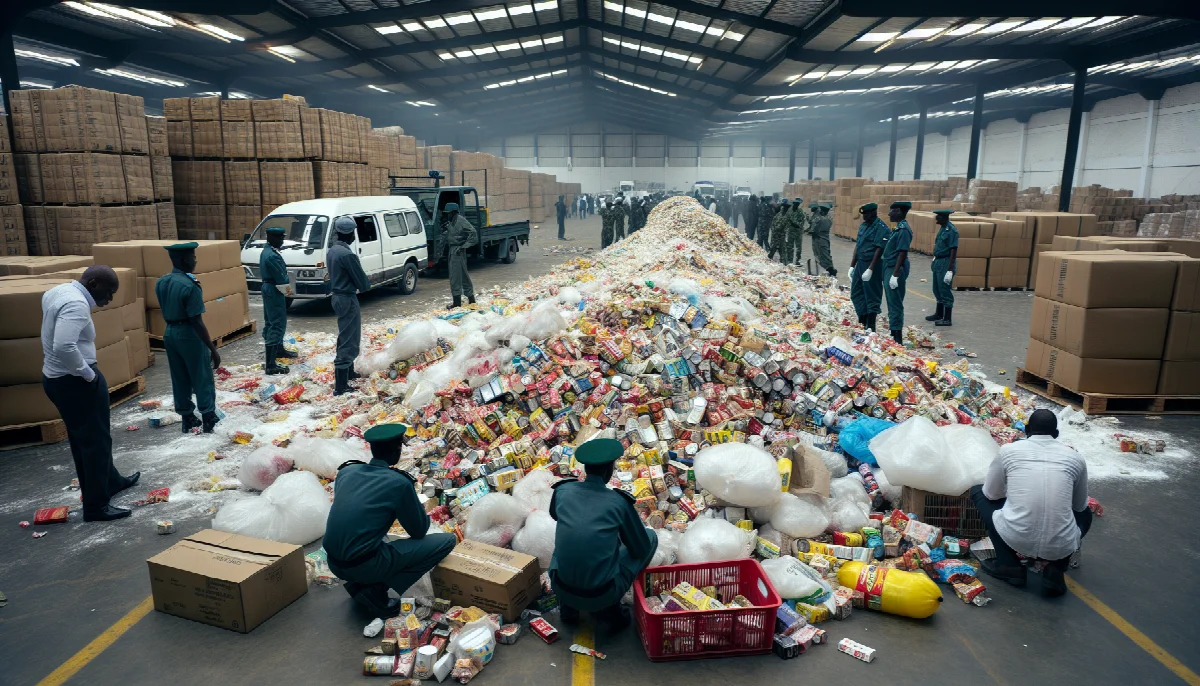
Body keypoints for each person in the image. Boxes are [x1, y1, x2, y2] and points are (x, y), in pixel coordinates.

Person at [325, 423, 457, 616]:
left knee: (374, 535)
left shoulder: (347, 472)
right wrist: (416, 505)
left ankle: (361, 584)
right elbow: (418, 531)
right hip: (364, 565)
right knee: (446, 541)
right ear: (398, 449)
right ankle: (377, 590)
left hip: (334, 562)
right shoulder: (399, 482)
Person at [41, 266, 139, 522]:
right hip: (74, 382)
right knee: (94, 443)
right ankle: (96, 506)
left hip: (58, 379)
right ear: (94, 283)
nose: (110, 299)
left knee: (90, 438)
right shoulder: (76, 304)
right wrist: (87, 374)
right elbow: (63, 345)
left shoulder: (59, 291)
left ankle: (112, 481)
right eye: (109, 292)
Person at [970, 409, 1092, 596]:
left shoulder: (1008, 451)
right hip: (1060, 544)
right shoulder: (1075, 458)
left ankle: (1008, 564)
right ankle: (1056, 566)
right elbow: (1079, 506)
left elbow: (991, 494)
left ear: (1026, 430)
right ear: (1056, 434)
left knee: (978, 492)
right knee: (1086, 514)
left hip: (1016, 536)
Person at [549, 438, 656, 629]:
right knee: (650, 538)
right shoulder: (618, 502)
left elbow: (555, 515)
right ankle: (611, 609)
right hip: (600, 595)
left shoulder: (563, 490)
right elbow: (640, 549)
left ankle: (568, 607)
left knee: (567, 544)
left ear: (585, 468)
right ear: (609, 470)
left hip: (560, 586)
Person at [156, 243, 221, 433]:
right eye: (193, 257)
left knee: (179, 376)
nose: (195, 261)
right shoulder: (190, 285)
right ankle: (208, 415)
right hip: (188, 334)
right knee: (201, 375)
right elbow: (196, 321)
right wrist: (212, 348)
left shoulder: (161, 282)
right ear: (185, 259)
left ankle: (187, 417)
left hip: (169, 332)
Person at [328, 217, 370, 396]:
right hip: (347, 297)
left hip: (338, 296)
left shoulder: (333, 250)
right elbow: (363, 282)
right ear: (350, 233)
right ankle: (341, 385)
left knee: (345, 334)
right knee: (350, 339)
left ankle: (348, 372)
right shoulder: (347, 255)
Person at [848, 203, 887, 332]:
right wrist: (852, 265)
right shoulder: (863, 226)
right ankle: (862, 319)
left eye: (865, 214)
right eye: (863, 214)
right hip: (861, 263)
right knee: (856, 293)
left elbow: (879, 249)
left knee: (872, 295)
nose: (863, 217)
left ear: (873, 213)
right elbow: (858, 246)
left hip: (872, 265)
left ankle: (871, 326)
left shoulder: (881, 228)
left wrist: (870, 269)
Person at [259, 226, 293, 375]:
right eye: (280, 238)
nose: (282, 241)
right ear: (271, 238)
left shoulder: (267, 251)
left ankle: (279, 350)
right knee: (277, 323)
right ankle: (271, 364)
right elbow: (282, 278)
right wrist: (288, 289)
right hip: (274, 289)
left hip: (269, 288)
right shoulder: (272, 255)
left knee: (271, 321)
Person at [883, 201, 913, 344]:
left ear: (900, 211)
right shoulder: (897, 228)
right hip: (890, 267)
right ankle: (893, 333)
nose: (889, 214)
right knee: (891, 302)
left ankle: (897, 339)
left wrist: (895, 275)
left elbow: (902, 252)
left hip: (896, 269)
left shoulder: (904, 230)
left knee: (895, 304)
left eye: (892, 211)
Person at [443, 202, 478, 309]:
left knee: (457, 276)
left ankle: (458, 302)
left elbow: (473, 233)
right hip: (453, 250)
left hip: (458, 250)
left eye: (448, 213)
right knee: (460, 275)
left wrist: (464, 246)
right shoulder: (451, 222)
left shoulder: (460, 220)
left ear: (453, 212)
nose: (447, 215)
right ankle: (470, 299)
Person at [928, 209, 958, 327]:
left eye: (939, 217)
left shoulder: (952, 231)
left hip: (946, 262)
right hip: (939, 261)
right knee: (936, 289)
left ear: (945, 217)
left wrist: (950, 269)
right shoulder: (943, 229)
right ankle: (939, 314)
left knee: (944, 289)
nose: (936, 219)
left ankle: (947, 318)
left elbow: (953, 250)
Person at [809, 203, 836, 277]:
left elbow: (812, 230)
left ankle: (830, 270)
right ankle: (829, 268)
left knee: (821, 255)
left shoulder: (821, 219)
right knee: (826, 254)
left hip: (819, 239)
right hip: (824, 239)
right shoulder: (829, 218)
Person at [785, 197, 807, 267]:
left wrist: (798, 225)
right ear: (793, 203)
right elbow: (787, 220)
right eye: (796, 203)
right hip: (791, 231)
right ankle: (790, 260)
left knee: (798, 247)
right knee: (790, 246)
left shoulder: (800, 211)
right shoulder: (789, 210)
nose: (797, 205)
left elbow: (803, 220)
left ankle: (798, 260)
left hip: (798, 231)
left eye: (798, 204)